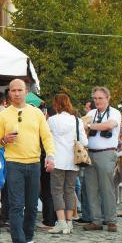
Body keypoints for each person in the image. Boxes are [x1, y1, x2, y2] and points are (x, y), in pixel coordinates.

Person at [0, 79, 55, 243]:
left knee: (33, 205)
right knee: (16, 205)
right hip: (13, 163)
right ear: (9, 93)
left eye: (20, 90)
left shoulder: (36, 113)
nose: (17, 93)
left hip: (34, 163)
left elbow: (47, 137)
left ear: (26, 92)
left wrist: (50, 155)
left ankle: (28, 238)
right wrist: (4, 139)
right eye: (13, 90)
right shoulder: (3, 115)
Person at [47, 93, 88, 235]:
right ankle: (69, 222)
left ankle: (61, 222)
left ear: (56, 104)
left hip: (57, 159)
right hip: (73, 160)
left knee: (57, 191)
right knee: (70, 190)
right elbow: (85, 142)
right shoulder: (77, 121)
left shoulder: (51, 120)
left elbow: (47, 140)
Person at [83, 86, 121, 233]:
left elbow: (109, 125)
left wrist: (90, 125)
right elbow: (83, 128)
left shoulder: (114, 113)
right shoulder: (92, 113)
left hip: (106, 153)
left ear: (108, 98)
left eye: (100, 98)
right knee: (91, 188)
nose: (97, 101)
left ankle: (111, 220)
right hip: (90, 153)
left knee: (107, 188)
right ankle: (96, 220)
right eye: (95, 98)